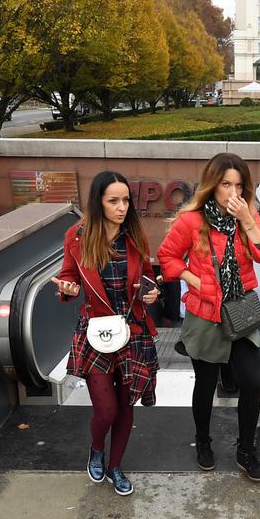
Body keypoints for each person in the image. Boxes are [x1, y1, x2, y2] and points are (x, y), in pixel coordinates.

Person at [157, 152, 260, 481]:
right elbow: (166, 256)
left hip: (239, 312)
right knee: (206, 383)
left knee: (252, 382)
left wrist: (249, 221)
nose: (232, 192)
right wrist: (192, 279)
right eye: (226, 184)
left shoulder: (247, 215)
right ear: (213, 185)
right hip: (204, 314)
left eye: (238, 185)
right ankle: (203, 441)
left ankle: (246, 449)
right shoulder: (192, 221)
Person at [52, 171, 161, 497]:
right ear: (98, 202)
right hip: (96, 331)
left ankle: (115, 466)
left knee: (126, 405)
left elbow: (149, 276)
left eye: (126, 200)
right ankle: (97, 448)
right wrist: (68, 289)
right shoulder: (76, 236)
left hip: (134, 331)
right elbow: (68, 279)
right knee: (107, 410)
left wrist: (151, 292)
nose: (122, 207)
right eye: (113, 200)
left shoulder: (135, 236)